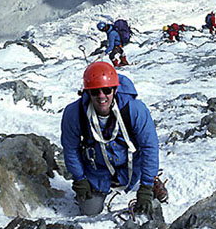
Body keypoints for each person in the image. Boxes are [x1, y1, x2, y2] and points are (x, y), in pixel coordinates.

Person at [61, 61, 160, 216]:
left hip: (133, 166)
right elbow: (70, 149)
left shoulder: (135, 109)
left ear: (115, 89)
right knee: (89, 210)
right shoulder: (74, 113)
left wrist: (146, 186)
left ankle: (151, 181)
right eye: (95, 92)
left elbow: (150, 147)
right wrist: (80, 179)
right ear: (87, 93)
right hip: (97, 171)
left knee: (148, 204)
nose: (101, 96)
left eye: (107, 90)